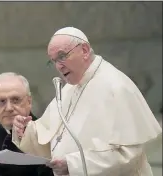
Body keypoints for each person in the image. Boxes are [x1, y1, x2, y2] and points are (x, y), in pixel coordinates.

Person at [12, 27, 162, 176]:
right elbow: (54, 137)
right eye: (54, 61)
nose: (58, 66)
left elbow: (128, 155)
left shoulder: (115, 87)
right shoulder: (71, 87)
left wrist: (71, 165)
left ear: (84, 50)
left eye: (62, 56)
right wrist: (26, 131)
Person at [0, 72, 53, 176]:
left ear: (29, 102)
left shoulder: (44, 134)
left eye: (16, 100)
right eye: (2, 101)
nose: (9, 108)